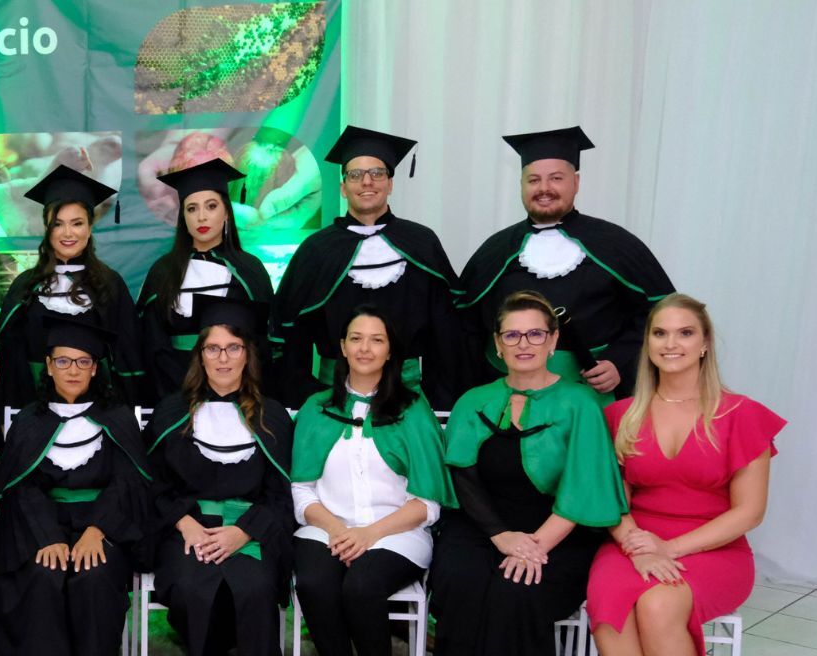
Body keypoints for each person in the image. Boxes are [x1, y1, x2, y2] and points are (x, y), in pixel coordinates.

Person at [428, 290, 629, 655]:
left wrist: (535, 547)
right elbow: (462, 476)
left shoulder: (581, 403)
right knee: (460, 582)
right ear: (498, 344)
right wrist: (501, 536)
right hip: (482, 524)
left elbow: (584, 487)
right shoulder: (472, 400)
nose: (524, 343)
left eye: (535, 334)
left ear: (553, 340)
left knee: (516, 591)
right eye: (512, 335)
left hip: (560, 531)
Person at [588, 294, 785, 655]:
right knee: (609, 610)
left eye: (685, 333)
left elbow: (749, 512)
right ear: (648, 343)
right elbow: (611, 501)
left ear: (705, 344)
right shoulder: (620, 415)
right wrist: (639, 548)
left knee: (658, 605)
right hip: (632, 542)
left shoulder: (742, 414)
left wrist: (669, 548)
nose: (671, 344)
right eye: (660, 333)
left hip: (713, 549)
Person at [457, 127, 674, 398]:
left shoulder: (617, 243)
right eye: (533, 180)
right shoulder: (495, 249)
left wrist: (618, 361)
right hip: (510, 394)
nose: (544, 188)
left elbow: (661, 311)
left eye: (556, 178)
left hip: (593, 394)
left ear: (576, 182)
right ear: (521, 185)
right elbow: (465, 326)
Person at [289, 306, 456, 656]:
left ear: (390, 350)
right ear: (343, 347)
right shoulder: (316, 407)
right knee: (315, 582)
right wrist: (338, 530)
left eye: (376, 340)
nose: (365, 348)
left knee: (361, 586)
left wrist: (368, 534)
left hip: (397, 532)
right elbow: (302, 489)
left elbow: (427, 502)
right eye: (356, 339)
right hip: (325, 528)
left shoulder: (412, 410)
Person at [271, 126, 470, 410]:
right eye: (355, 174)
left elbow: (447, 332)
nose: (367, 182)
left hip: (410, 398)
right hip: (334, 399)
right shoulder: (316, 250)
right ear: (342, 187)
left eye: (377, 173)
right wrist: (304, 400)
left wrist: (440, 400)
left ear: (390, 184)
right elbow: (290, 336)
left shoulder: (421, 242)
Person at [0, 315, 152, 656]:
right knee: (42, 576)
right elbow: (21, 486)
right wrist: (47, 536)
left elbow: (127, 482)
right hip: (40, 526)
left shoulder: (118, 417)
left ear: (94, 368)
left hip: (103, 525)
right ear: (48, 366)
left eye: (83, 361)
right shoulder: (30, 420)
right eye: (63, 361)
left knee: (94, 575)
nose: (72, 370)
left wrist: (98, 530)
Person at [144, 296, 292, 656]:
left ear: (247, 354)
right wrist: (184, 523)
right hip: (187, 528)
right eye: (213, 349)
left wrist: (244, 531)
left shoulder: (272, 416)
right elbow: (152, 483)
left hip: (251, 528)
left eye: (233, 348)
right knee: (192, 588)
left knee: (255, 589)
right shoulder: (172, 412)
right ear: (200, 356)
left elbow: (281, 492)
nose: (223, 358)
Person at [0, 165, 146, 413]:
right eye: (58, 224)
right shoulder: (25, 287)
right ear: (46, 227)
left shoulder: (110, 284)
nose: (67, 233)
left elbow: (128, 355)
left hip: (98, 410)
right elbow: (11, 365)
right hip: (35, 409)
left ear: (89, 228)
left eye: (77, 223)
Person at [138, 158, 274, 399]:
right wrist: (182, 387)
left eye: (211, 206)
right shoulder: (163, 271)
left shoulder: (250, 269)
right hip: (174, 393)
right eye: (192, 208)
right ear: (183, 218)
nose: (201, 217)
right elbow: (151, 342)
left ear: (226, 214)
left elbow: (262, 342)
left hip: (238, 393)